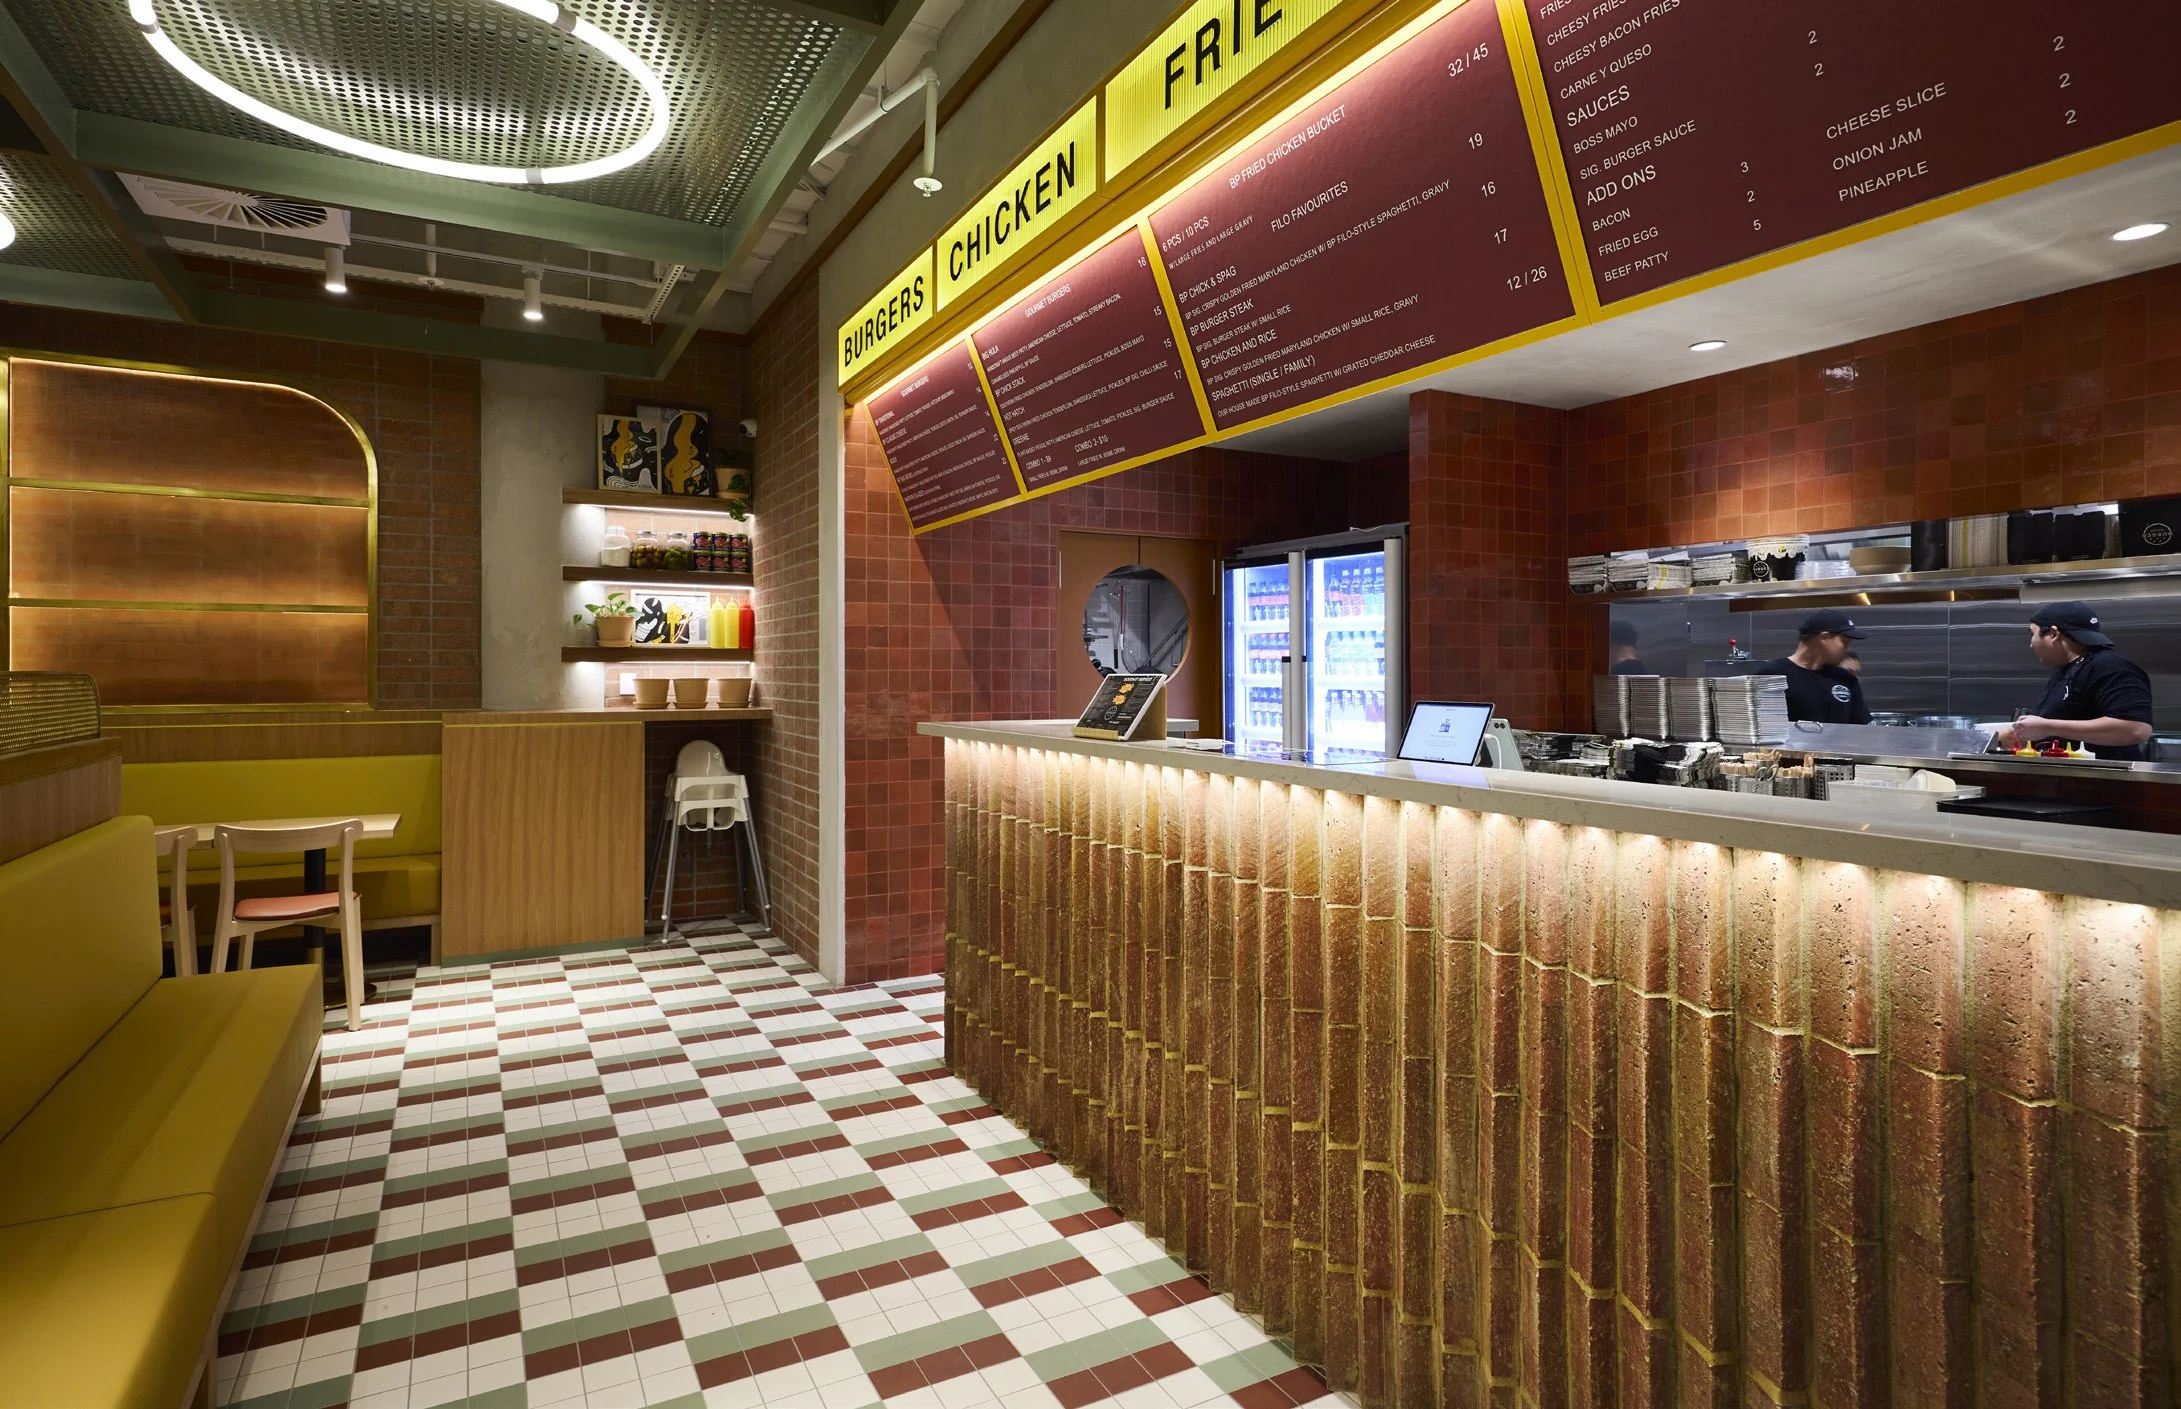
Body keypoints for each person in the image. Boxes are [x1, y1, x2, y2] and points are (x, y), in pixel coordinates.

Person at [1995, 602, 2154, 760]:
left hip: (2103, 781)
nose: (2031, 644)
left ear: (2054, 634)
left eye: (2032, 634)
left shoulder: (2111, 666)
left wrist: (2047, 727)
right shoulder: (2067, 671)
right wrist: (2023, 737)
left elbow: (2135, 729)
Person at [1759, 609, 1872, 724]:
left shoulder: (1845, 679)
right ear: (1824, 638)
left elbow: (1861, 729)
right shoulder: (1771, 676)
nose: (1847, 649)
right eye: (1844, 642)